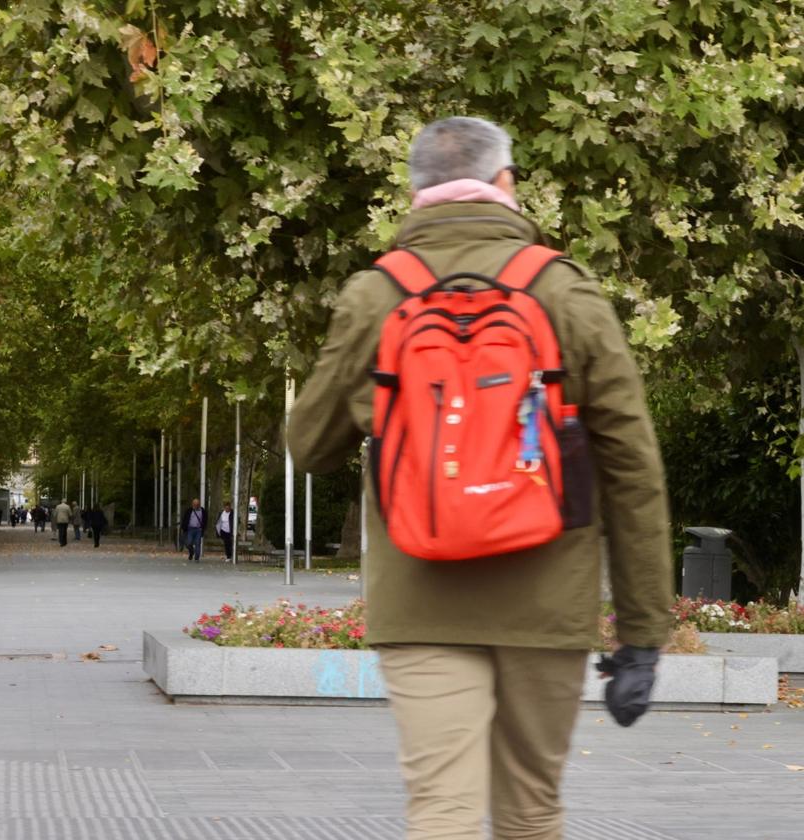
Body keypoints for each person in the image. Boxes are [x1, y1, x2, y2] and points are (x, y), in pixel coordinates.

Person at [288, 116, 672, 840]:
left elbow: (309, 446)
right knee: (531, 810)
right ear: (506, 184)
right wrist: (643, 633)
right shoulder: (564, 291)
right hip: (548, 601)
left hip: (419, 596)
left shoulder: (376, 294)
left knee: (442, 811)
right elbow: (632, 465)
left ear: (415, 192)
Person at [180, 498, 208, 563]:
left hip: (198, 529)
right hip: (190, 529)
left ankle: (197, 558)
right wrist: (183, 527)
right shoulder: (189, 510)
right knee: (188, 543)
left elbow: (205, 520)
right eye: (194, 504)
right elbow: (185, 519)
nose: (195, 505)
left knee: (198, 543)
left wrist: (203, 528)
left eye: (197, 504)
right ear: (192, 504)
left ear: (199, 504)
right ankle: (191, 552)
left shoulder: (203, 511)